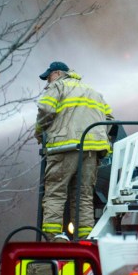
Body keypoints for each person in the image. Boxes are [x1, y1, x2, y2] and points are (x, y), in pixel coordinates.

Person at [35, 61, 114, 241]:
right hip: (91, 151)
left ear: (57, 73)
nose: (48, 82)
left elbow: (45, 109)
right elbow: (109, 118)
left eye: (49, 77)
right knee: (83, 197)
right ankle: (84, 239)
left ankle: (52, 239)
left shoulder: (58, 86)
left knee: (55, 193)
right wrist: (97, 136)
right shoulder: (93, 92)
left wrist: (40, 133)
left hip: (64, 148)